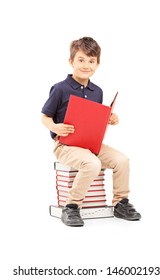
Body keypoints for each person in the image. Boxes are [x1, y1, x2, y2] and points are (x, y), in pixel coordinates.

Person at [41, 36, 141, 227]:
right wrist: (55, 127)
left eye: (91, 61)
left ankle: (121, 203)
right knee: (92, 164)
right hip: (66, 145)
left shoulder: (97, 91)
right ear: (71, 61)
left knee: (122, 160)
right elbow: (44, 116)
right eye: (81, 60)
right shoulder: (60, 89)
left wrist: (110, 118)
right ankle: (71, 206)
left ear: (97, 64)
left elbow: (93, 119)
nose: (86, 65)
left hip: (90, 143)